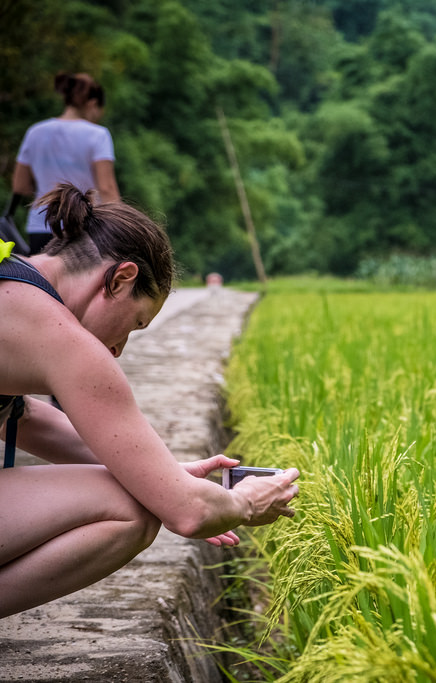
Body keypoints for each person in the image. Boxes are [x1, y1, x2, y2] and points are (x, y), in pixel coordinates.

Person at [0, 184, 300, 618]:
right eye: (135, 323)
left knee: (142, 489)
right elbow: (189, 513)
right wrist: (245, 503)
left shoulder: (10, 271)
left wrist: (159, 473)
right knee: (133, 511)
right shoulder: (64, 340)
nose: (118, 348)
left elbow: (20, 417)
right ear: (120, 279)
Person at [11, 72, 121, 255]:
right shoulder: (98, 135)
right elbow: (107, 187)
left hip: (41, 225)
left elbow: (19, 185)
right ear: (93, 104)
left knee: (42, 282)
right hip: (84, 228)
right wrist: (121, 226)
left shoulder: (35, 132)